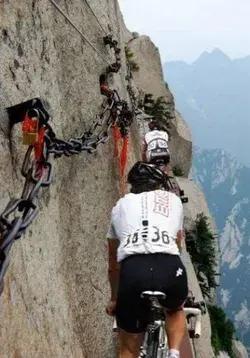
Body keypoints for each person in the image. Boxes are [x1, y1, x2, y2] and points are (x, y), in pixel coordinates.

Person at [106, 161, 188, 358]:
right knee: (175, 310)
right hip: (169, 266)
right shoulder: (173, 201)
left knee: (128, 349)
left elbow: (113, 262)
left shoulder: (120, 207)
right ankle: (174, 353)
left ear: (132, 186)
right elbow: (178, 243)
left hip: (134, 271)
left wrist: (115, 298)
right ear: (159, 185)